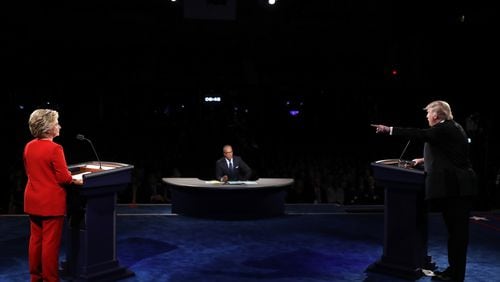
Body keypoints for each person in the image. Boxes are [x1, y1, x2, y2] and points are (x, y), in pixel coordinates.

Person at [372, 100, 477, 282]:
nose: (427, 117)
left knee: (457, 235)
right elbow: (449, 153)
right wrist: (423, 160)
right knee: (456, 235)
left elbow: (419, 134)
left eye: (428, 114)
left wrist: (388, 129)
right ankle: (454, 272)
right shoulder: (452, 127)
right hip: (459, 188)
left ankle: (456, 276)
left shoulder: (443, 129)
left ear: (436, 116)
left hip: (456, 190)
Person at [23, 109, 82, 282]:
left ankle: (36, 277)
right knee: (50, 244)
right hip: (50, 202)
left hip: (33, 199)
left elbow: (31, 172)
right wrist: (75, 180)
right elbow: (64, 178)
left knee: (36, 240)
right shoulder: (55, 148)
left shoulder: (29, 146)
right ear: (48, 128)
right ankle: (50, 278)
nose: (60, 126)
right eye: (57, 123)